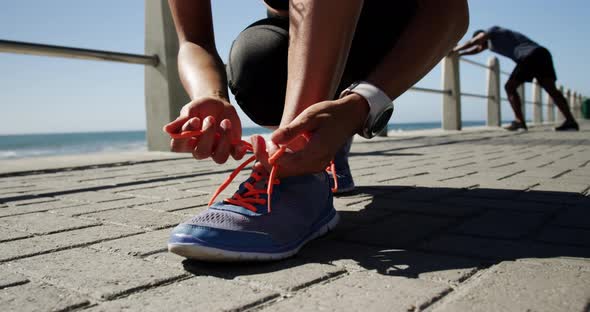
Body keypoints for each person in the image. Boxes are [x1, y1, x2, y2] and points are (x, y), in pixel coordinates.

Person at [164, 0, 469, 261]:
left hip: (391, 37)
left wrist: (363, 103)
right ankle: (318, 143)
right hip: (300, 42)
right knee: (256, 60)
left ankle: (298, 173)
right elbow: (194, 41)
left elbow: (450, 12)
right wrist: (211, 95)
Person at [452, 26, 579, 131]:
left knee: (510, 87)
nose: (481, 44)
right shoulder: (491, 44)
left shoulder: (493, 30)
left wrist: (455, 49)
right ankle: (570, 121)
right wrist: (462, 54)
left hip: (529, 56)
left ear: (481, 35)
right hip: (542, 54)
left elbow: (474, 43)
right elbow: (477, 49)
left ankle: (520, 121)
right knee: (552, 90)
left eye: (480, 40)